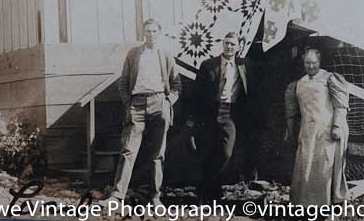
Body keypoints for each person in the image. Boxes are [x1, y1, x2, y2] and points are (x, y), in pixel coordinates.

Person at [100, 19, 182, 207]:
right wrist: (129, 104)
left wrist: (167, 102)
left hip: (159, 103)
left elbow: (176, 85)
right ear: (143, 34)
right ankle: (117, 196)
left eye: (154, 31)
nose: (151, 34)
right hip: (136, 105)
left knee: (157, 154)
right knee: (128, 150)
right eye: (147, 31)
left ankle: (155, 197)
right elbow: (123, 82)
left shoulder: (167, 55)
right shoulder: (134, 54)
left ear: (159, 33)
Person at [188, 32, 251, 203]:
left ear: (238, 47)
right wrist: (193, 118)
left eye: (233, 44)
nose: (230, 47)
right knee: (208, 152)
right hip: (209, 112)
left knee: (225, 153)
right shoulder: (208, 65)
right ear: (222, 44)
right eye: (227, 43)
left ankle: (207, 186)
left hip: (229, 113)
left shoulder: (245, 65)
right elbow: (196, 93)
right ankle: (210, 191)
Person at [285, 48, 350, 206]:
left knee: (324, 166)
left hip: (327, 129)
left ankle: (326, 204)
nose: (311, 66)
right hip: (308, 130)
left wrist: (337, 126)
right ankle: (307, 204)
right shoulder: (299, 83)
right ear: (303, 63)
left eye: (314, 62)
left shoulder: (329, 78)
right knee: (307, 166)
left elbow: (340, 105)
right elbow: (292, 111)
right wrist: (290, 130)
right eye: (307, 62)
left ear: (319, 62)